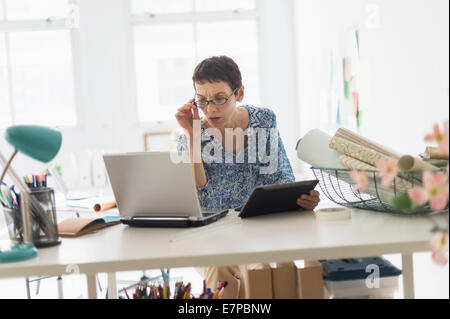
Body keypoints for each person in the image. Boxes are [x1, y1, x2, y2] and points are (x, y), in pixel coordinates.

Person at [175, 56, 320, 298]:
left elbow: (280, 179)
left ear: (239, 93)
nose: (210, 109)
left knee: (274, 268)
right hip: (210, 237)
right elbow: (195, 200)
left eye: (220, 98)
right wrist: (193, 137)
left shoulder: (263, 121)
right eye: (202, 100)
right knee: (220, 269)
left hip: (256, 230)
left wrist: (301, 199)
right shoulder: (190, 135)